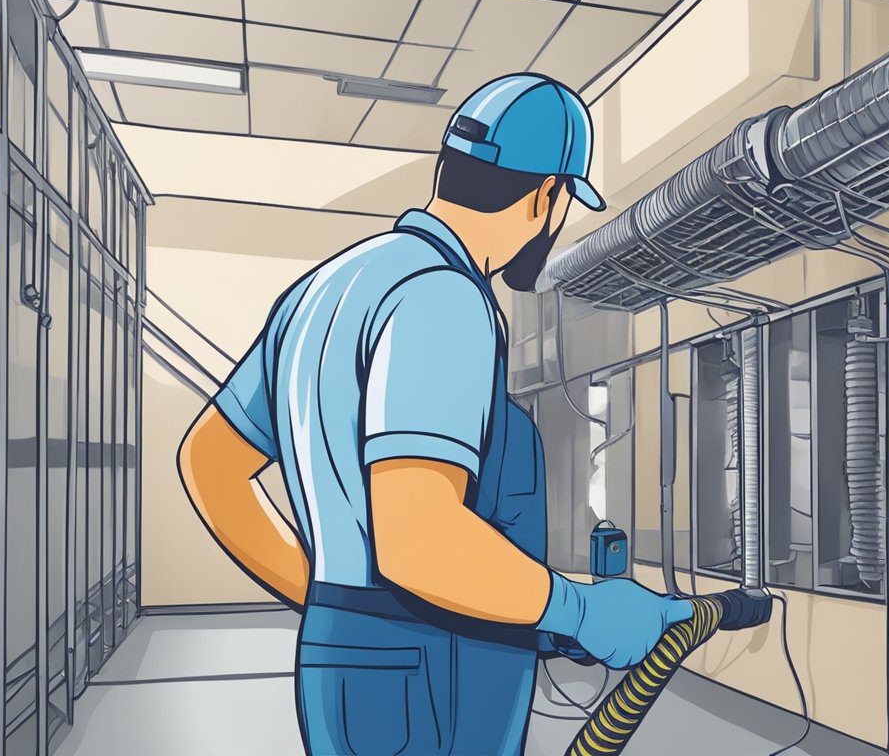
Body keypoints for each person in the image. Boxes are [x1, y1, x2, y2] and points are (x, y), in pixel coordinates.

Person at [177, 74, 763, 755]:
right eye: (565, 202)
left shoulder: (325, 287)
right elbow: (419, 539)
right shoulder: (442, 298)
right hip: (436, 665)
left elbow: (210, 462)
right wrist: (578, 610)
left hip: (344, 658)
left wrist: (324, 598)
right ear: (546, 195)